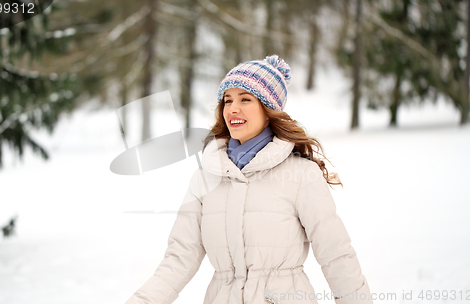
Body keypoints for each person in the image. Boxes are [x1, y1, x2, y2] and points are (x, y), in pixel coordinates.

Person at [125, 55, 373, 304]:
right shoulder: (204, 177)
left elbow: (336, 255)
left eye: (245, 99)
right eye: (228, 100)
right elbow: (179, 258)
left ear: (268, 111)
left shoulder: (300, 175)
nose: (233, 108)